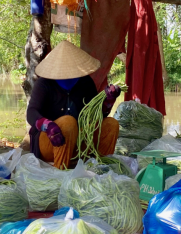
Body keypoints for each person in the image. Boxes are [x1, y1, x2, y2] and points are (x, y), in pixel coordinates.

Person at [27, 41, 121, 169]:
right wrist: (47, 126)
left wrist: (108, 101)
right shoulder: (44, 84)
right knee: (67, 122)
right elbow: (31, 113)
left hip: (78, 142)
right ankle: (62, 172)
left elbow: (95, 115)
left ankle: (101, 170)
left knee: (111, 124)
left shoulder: (85, 82)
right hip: (50, 143)